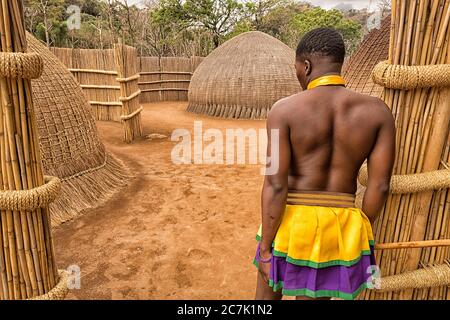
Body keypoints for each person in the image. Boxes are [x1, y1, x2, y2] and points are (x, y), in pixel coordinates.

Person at [253, 28, 396, 300]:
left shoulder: (283, 110)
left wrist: (265, 249)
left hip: (290, 223)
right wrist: (355, 229)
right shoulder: (378, 112)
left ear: (305, 66)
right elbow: (380, 184)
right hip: (339, 226)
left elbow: (275, 182)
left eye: (297, 68)